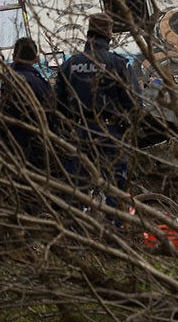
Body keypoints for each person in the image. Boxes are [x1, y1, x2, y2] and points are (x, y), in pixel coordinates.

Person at [56, 13, 140, 208]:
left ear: (88, 34)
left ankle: (77, 231)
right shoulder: (118, 64)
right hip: (110, 133)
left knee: (77, 187)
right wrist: (124, 127)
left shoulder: (70, 64)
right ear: (109, 34)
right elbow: (135, 103)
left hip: (79, 132)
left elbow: (57, 103)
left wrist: (68, 126)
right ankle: (115, 232)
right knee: (116, 187)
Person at [0, 37, 55, 172]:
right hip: (30, 156)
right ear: (36, 59)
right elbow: (51, 119)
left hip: (0, 152)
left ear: (14, 57)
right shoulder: (39, 84)